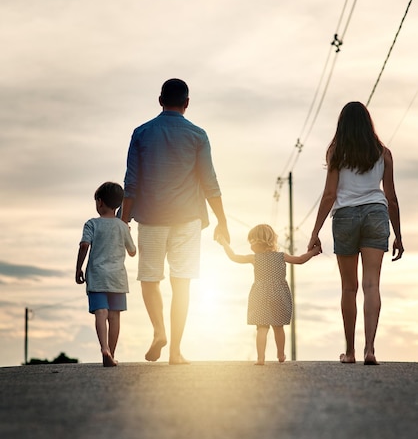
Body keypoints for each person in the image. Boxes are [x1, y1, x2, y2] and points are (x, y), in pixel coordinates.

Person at [121, 78, 230, 365]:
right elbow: (210, 181)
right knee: (181, 283)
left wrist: (123, 221)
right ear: (187, 103)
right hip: (187, 219)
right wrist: (222, 221)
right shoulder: (198, 135)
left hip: (150, 217)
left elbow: (130, 182)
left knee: (149, 278)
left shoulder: (141, 133)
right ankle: (175, 351)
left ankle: (159, 331)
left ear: (160, 101)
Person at [307, 101, 404, 365]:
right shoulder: (383, 153)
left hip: (346, 217)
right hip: (376, 213)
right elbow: (391, 198)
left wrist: (315, 231)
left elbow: (329, 195)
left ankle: (349, 352)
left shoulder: (337, 153)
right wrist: (398, 235)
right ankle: (369, 349)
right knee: (372, 284)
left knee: (349, 288)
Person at [217, 224, 321, 365]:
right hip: (279, 294)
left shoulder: (254, 258)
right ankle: (281, 354)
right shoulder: (281, 256)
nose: (250, 246)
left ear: (257, 242)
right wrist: (313, 252)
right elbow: (300, 260)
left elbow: (234, 257)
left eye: (251, 242)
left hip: (260, 295)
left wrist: (224, 243)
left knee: (262, 327)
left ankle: (260, 358)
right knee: (278, 326)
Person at [76, 182, 136, 367]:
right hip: (117, 278)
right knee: (115, 316)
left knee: (101, 313)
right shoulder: (122, 226)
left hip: (97, 277)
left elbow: (84, 245)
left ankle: (104, 349)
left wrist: (78, 268)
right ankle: (112, 352)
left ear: (100, 202)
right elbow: (132, 251)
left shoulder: (92, 223)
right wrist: (127, 233)